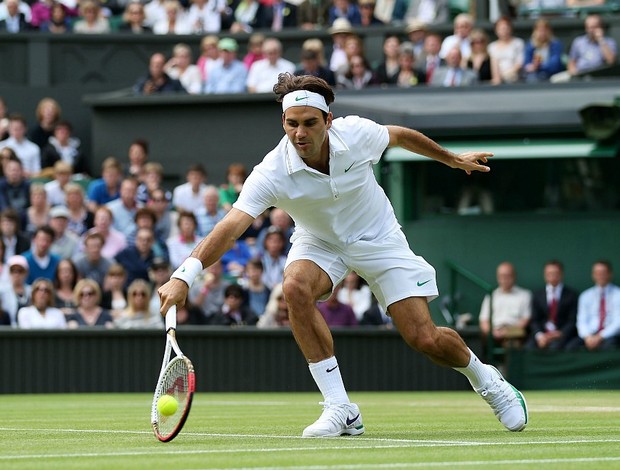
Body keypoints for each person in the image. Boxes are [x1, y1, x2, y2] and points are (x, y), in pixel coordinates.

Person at [158, 73, 528, 437]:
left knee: (425, 339)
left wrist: (450, 159)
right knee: (295, 287)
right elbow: (230, 226)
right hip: (320, 242)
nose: (300, 133)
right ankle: (341, 408)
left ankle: (488, 380)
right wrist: (184, 275)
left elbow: (399, 135)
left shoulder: (357, 134)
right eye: (291, 124)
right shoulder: (271, 171)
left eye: (309, 123)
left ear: (328, 121)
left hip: (379, 237)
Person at [567, 260, 620, 350]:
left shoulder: (618, 294)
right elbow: (581, 321)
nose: (600, 276)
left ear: (610, 274)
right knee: (571, 347)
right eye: (597, 273)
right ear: (593, 275)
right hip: (589, 335)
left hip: (610, 336)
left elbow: (618, 322)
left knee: (609, 347)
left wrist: (600, 337)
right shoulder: (585, 296)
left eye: (603, 273)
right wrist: (588, 337)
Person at [527, 260, 578, 350]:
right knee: (528, 348)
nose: (552, 276)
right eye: (549, 273)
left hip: (561, 336)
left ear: (561, 274)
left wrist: (559, 334)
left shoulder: (571, 295)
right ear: (544, 275)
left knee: (555, 348)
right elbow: (534, 320)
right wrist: (540, 336)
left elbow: (572, 320)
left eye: (555, 273)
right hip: (542, 335)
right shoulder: (537, 295)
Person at [479, 262, 532, 349]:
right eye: (501, 276)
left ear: (514, 276)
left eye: (508, 276)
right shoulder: (491, 295)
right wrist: (492, 332)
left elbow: (525, 319)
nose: (504, 279)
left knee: (513, 345)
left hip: (513, 333)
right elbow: (483, 320)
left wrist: (507, 332)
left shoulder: (524, 295)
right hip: (494, 332)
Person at [523, 19, 565, 83]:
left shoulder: (555, 44)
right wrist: (531, 66)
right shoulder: (530, 45)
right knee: (531, 78)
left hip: (553, 74)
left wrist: (539, 66)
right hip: (536, 75)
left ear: (549, 31)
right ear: (535, 31)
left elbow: (554, 65)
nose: (542, 33)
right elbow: (526, 64)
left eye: (544, 31)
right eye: (540, 31)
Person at [488, 16, 524, 85]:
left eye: (506, 28)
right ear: (496, 30)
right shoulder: (491, 47)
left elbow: (519, 64)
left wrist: (504, 76)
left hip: (515, 81)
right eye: (501, 28)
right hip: (497, 82)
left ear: (510, 29)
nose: (504, 31)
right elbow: (493, 64)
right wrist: (497, 78)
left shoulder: (518, 43)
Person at [0, 254, 32, 326]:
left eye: (20, 271)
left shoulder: (32, 291)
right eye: (13, 271)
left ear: (26, 272)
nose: (16, 274)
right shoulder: (2, 291)